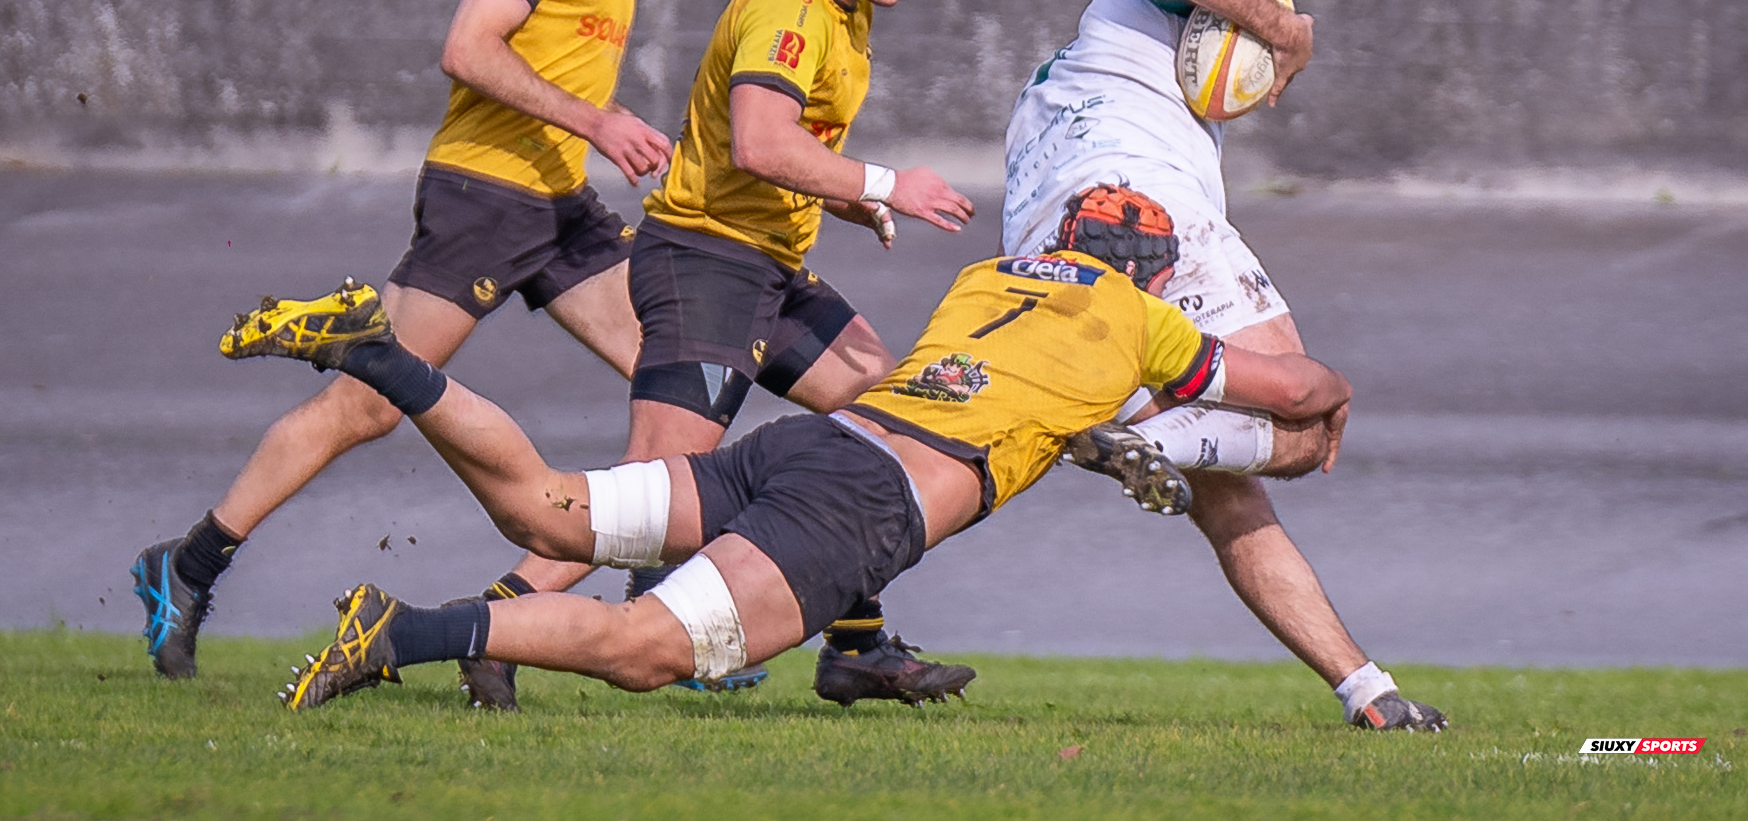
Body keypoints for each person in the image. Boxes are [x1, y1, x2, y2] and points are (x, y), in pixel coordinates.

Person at [221, 184, 1432, 737]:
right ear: (1150, 274)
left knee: (548, 512)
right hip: (864, 500)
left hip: (810, 442)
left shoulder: (990, 276)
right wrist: (1330, 399)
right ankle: (400, 632)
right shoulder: (1144, 321)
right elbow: (1290, 389)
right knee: (648, 649)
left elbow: (1027, 389)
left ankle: (382, 354)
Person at [130, 0, 672, 690]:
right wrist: (598, 119)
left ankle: (507, 625)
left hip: (560, 204)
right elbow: (467, 47)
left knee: (679, 393)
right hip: (485, 197)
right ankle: (191, 563)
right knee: (368, 403)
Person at [1001, 0, 1445, 730]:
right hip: (1136, 209)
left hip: (1041, 257)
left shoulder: (1070, 81)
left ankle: (1366, 690)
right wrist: (1284, 29)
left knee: (1223, 480)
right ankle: (1148, 443)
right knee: (1305, 420)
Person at [610, 0, 979, 702]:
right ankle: (493, 622)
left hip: (769, 267)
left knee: (886, 418)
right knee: (644, 491)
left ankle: (855, 644)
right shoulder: (790, 7)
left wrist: (852, 200)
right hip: (705, 260)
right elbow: (759, 140)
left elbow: (788, 150)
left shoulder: (846, 6)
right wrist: (886, 183)